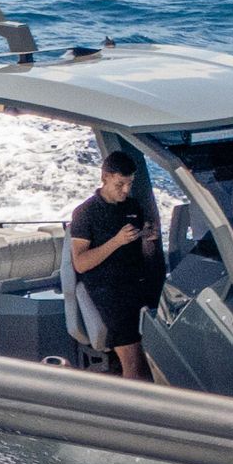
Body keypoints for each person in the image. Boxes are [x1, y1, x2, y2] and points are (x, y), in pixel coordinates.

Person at [66, 146, 162, 381]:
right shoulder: (85, 213)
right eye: (120, 184)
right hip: (109, 291)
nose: (125, 190)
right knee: (134, 362)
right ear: (105, 178)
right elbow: (80, 263)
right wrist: (116, 241)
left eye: (129, 184)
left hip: (138, 285)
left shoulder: (132, 207)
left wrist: (149, 240)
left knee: (158, 356)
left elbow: (145, 254)